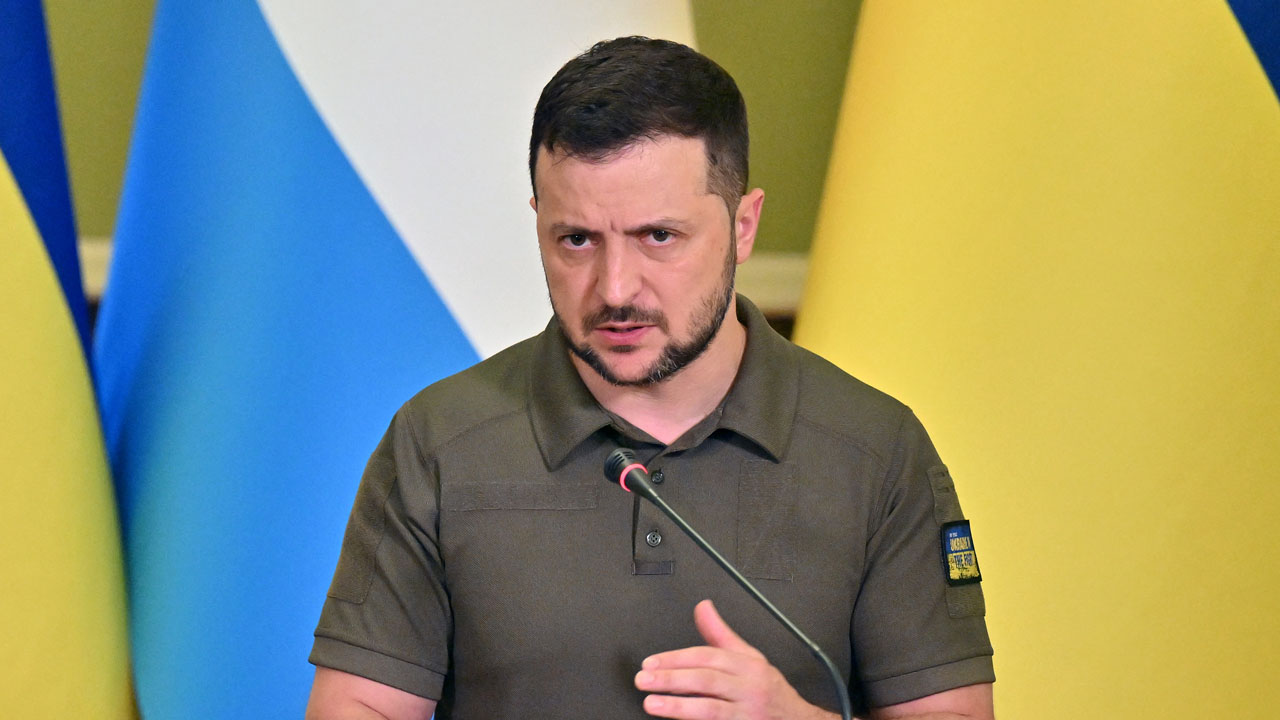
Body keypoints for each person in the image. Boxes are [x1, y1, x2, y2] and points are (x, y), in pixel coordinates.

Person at [306, 37, 994, 720]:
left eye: (658, 237)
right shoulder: (438, 442)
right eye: (577, 240)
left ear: (743, 226)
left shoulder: (877, 450)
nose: (615, 288)